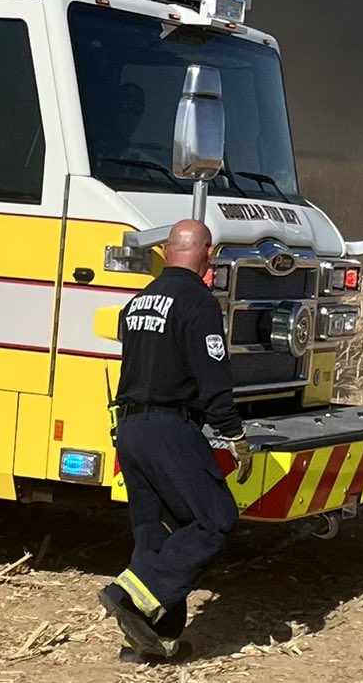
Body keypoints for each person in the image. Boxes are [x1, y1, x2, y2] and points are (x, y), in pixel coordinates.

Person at [98, 218, 250, 660]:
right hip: (168, 426)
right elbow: (211, 375)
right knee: (214, 517)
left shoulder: (139, 301)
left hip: (129, 428)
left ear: (165, 250)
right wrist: (232, 432)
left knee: (156, 530)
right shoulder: (198, 303)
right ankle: (133, 595)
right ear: (208, 255)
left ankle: (148, 641)